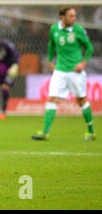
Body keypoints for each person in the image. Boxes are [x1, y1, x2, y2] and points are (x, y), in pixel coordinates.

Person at [32, 7, 95, 141]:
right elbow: (51, 44)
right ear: (63, 17)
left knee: (81, 100)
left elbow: (89, 47)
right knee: (51, 98)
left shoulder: (78, 30)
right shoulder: (54, 29)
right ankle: (45, 132)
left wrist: (84, 63)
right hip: (60, 70)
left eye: (75, 16)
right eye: (71, 16)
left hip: (75, 71)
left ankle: (91, 132)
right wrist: (50, 60)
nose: (74, 19)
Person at [0, 32, 20, 120]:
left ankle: (3, 112)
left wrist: (15, 65)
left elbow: (16, 55)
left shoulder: (7, 44)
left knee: (5, 88)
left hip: (9, 70)